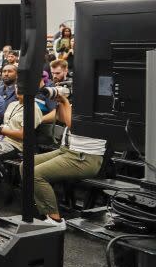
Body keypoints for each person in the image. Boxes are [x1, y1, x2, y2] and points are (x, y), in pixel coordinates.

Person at [24, 94, 105, 225]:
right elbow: (61, 117)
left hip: (85, 157)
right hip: (67, 151)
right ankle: (42, 211)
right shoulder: (82, 103)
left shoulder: (100, 107)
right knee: (25, 165)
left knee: (36, 174)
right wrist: (60, 102)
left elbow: (75, 126)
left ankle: (55, 219)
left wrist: (65, 102)